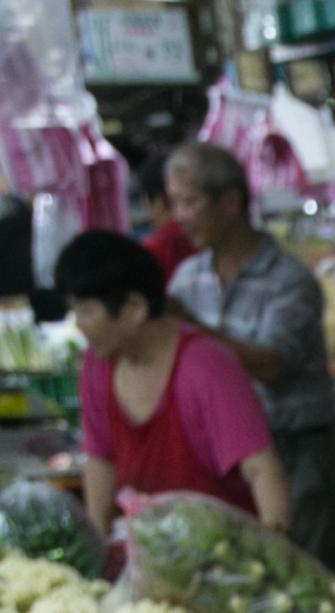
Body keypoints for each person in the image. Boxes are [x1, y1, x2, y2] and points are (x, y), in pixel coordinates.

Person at [163, 140, 335, 576]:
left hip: (297, 456)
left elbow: (272, 364)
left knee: (307, 580)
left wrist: (194, 329)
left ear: (230, 202)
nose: (181, 217)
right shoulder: (187, 279)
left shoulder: (289, 280)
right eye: (175, 203)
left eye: (190, 202)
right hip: (225, 464)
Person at [55, 228, 289, 540]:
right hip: (147, 553)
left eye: (86, 311)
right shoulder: (98, 365)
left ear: (135, 308)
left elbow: (261, 469)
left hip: (222, 554)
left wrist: (275, 551)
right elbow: (100, 461)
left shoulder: (205, 366)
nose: (79, 324)